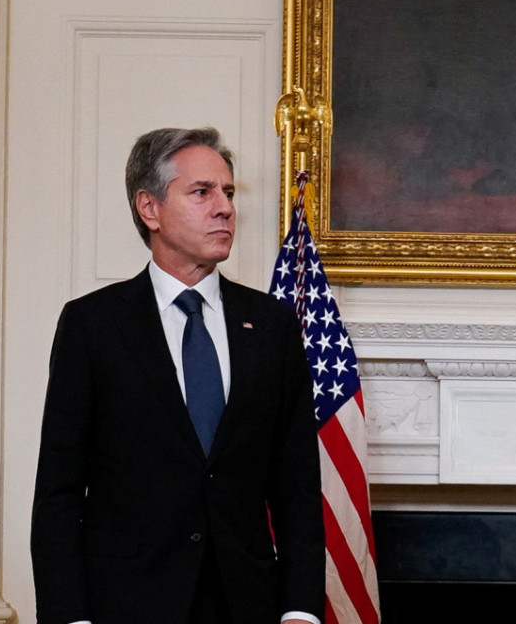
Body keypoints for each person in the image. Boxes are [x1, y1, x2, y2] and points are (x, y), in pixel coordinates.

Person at [31, 128, 324, 624]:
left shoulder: (272, 326)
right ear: (150, 208)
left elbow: (297, 485)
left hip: (247, 603)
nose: (225, 208)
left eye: (228, 193)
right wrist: (68, 616)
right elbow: (58, 492)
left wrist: (301, 610)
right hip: (125, 604)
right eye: (202, 192)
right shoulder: (93, 325)